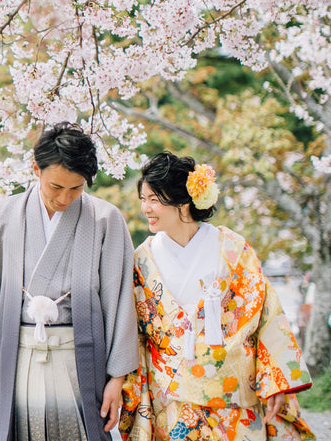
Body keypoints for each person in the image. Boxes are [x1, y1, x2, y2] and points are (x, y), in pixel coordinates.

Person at [0, 121, 139, 441]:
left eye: (76, 188)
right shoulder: (2, 216)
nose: (65, 198)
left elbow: (119, 301)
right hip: (17, 357)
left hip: (79, 360)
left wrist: (117, 378)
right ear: (36, 169)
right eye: (56, 187)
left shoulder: (105, 219)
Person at [120, 152, 314, 440]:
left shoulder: (232, 248)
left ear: (183, 201)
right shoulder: (141, 260)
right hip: (172, 400)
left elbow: (267, 313)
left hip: (234, 395)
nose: (145, 208)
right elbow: (133, 333)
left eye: (154, 199)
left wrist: (277, 382)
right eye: (143, 199)